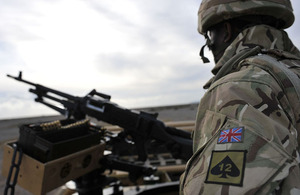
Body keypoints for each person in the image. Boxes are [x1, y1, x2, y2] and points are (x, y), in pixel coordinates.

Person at [180, 0, 300, 194]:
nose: (209, 47)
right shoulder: (291, 71)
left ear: (226, 31)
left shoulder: (240, 86)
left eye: (210, 36)